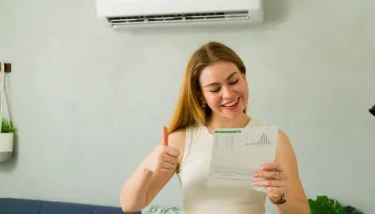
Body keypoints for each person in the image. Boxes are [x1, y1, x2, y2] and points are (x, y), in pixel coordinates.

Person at [120, 41, 310, 214]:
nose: (228, 94)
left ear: (244, 77)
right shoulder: (181, 140)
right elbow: (130, 205)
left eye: (234, 81)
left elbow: (300, 210)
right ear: (201, 96)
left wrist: (279, 197)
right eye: (214, 89)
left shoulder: (274, 140)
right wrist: (148, 165)